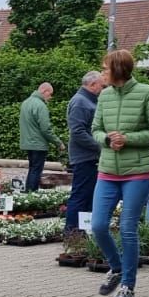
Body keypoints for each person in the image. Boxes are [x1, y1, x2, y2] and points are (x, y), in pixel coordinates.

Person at [89, 49, 149, 297]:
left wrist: (128, 139)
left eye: (105, 69)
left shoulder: (146, 93)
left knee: (127, 228)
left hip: (137, 172)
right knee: (98, 225)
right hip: (107, 171)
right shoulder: (105, 95)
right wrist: (107, 139)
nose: (102, 73)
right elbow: (95, 129)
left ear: (118, 70)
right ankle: (117, 267)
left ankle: (127, 286)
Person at [65, 71, 104, 233]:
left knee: (88, 195)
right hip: (84, 157)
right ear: (92, 85)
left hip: (89, 156)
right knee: (80, 195)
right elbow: (77, 131)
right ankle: (72, 232)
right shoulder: (80, 102)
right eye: (101, 85)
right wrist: (100, 146)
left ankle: (83, 231)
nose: (102, 88)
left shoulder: (87, 100)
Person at [19, 82, 63, 192]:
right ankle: (32, 194)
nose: (50, 97)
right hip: (38, 144)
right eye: (50, 94)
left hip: (27, 143)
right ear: (44, 91)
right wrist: (58, 143)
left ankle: (27, 193)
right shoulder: (41, 105)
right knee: (36, 170)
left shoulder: (25, 103)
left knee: (32, 168)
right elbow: (45, 129)